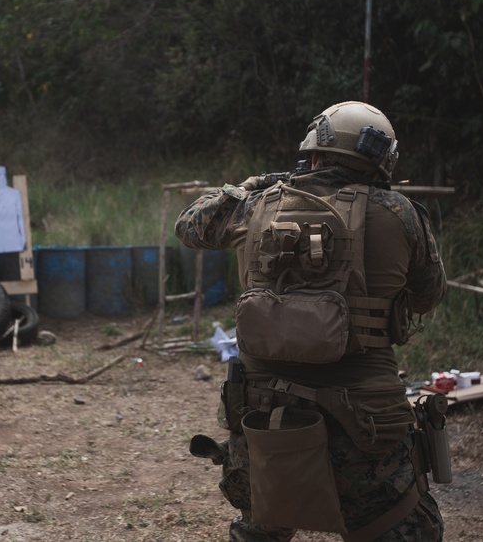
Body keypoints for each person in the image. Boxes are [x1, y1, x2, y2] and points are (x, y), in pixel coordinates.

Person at [175, 101, 446, 542]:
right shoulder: (402, 213)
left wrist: (253, 184)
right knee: (410, 526)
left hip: (264, 416)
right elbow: (428, 296)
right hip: (367, 425)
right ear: (382, 164)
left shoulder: (256, 204)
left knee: (261, 525)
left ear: (314, 154)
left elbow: (189, 226)